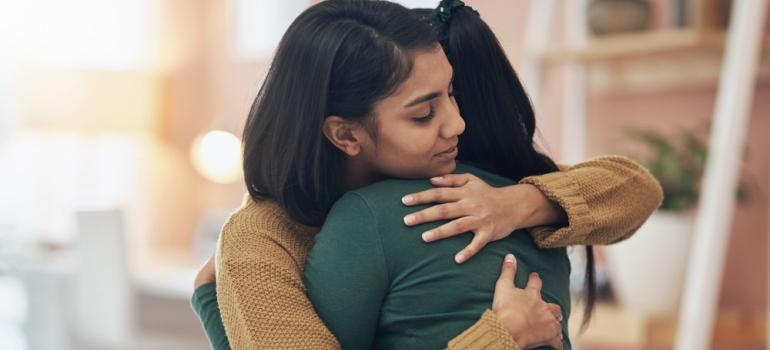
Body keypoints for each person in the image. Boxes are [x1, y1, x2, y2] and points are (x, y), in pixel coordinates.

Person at [191, 1, 663, 349]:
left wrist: (517, 204)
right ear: (345, 135)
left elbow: (635, 189)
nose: (457, 124)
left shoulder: (463, 189)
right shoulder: (261, 240)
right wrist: (501, 335)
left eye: (451, 94)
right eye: (423, 114)